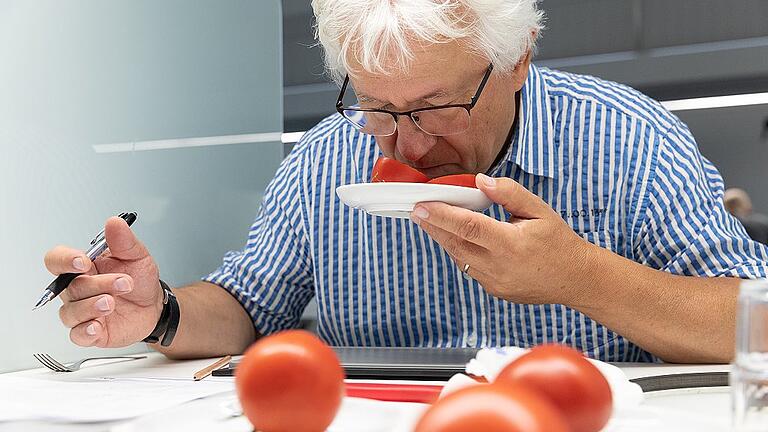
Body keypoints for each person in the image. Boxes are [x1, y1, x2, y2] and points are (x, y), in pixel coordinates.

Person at [44, 0, 768, 363]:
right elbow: (247, 305)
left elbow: (757, 324)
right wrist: (158, 312)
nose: (412, 142)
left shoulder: (627, 138)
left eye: (437, 107)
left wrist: (583, 278)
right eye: (379, 109)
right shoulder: (326, 158)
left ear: (518, 60)